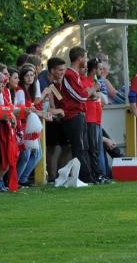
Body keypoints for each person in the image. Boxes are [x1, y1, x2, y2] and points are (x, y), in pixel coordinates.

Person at [60, 47, 96, 183]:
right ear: (80, 58)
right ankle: (85, 178)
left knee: (84, 147)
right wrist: (93, 89)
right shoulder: (69, 75)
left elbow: (82, 95)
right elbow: (80, 96)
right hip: (73, 116)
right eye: (85, 58)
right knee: (79, 148)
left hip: (80, 115)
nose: (86, 61)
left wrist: (89, 94)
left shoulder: (76, 75)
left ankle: (89, 176)